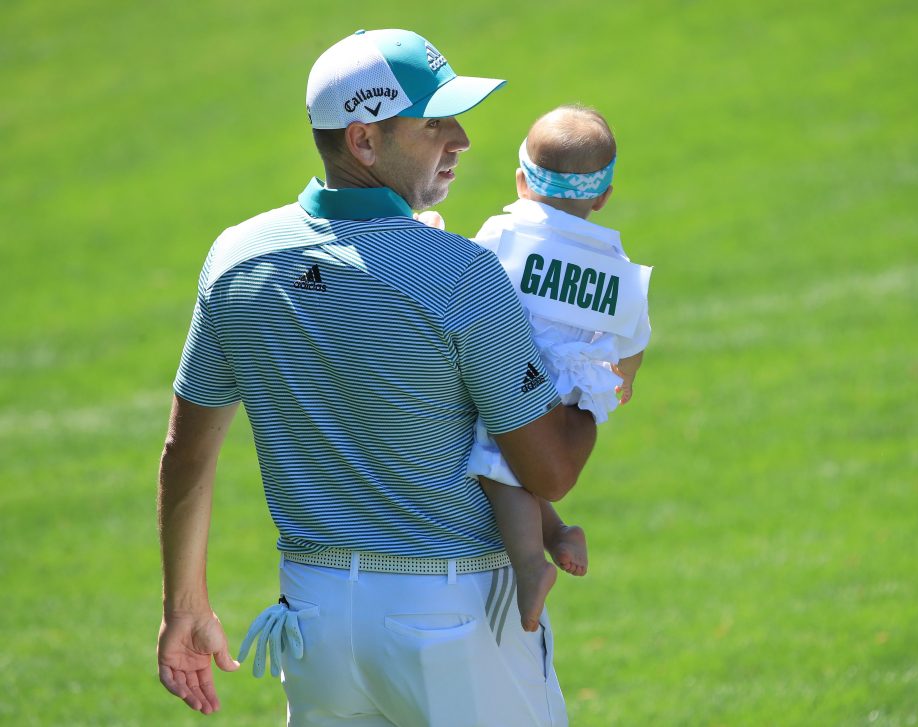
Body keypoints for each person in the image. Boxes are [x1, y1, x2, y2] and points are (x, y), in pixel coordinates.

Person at [155, 29, 597, 726]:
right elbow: (549, 471)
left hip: (315, 627)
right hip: (455, 625)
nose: (461, 139)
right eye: (434, 125)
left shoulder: (235, 258)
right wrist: (595, 385)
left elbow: (186, 452)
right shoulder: (461, 273)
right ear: (363, 141)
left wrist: (183, 605)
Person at [463, 105, 653, 633]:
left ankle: (530, 567)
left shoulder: (503, 232)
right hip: (576, 383)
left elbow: (461, 286)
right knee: (521, 472)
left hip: (519, 373)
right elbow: (635, 334)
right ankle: (561, 533)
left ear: (522, 181)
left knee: (495, 465)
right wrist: (626, 377)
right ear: (602, 195)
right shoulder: (614, 261)